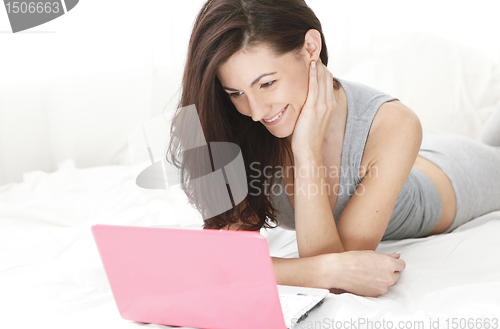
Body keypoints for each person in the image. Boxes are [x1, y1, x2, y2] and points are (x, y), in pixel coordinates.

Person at [167, 0, 500, 297]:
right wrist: (327, 270)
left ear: (311, 48)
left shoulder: (394, 122)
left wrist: (307, 151)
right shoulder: (237, 124)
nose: (255, 111)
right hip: (410, 155)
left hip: (451, 175)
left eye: (267, 83)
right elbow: (325, 269)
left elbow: (335, 278)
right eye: (235, 93)